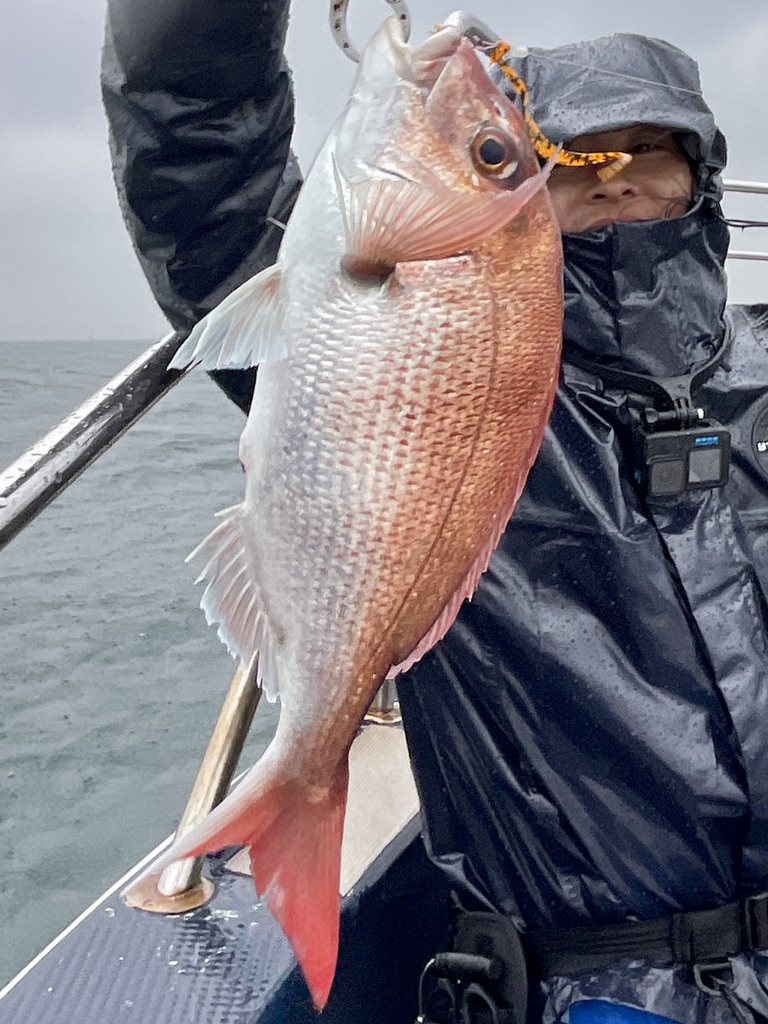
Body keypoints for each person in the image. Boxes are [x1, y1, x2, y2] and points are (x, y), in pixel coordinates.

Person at [101, 3, 768, 1023]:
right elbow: (201, 173)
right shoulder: (454, 338)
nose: (617, 175)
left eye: (654, 149)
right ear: (532, 194)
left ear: (703, 176)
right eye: (578, 158)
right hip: (603, 981)